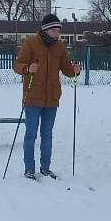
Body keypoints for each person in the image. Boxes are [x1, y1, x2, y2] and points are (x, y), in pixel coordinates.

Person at [12, 14, 81, 180]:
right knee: (31, 134)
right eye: (54, 30)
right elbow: (17, 65)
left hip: (52, 98)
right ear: (45, 30)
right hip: (32, 97)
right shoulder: (30, 43)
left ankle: (45, 167)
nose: (57, 33)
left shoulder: (60, 47)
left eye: (58, 30)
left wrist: (75, 70)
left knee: (47, 134)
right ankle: (29, 168)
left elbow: (66, 69)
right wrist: (28, 68)